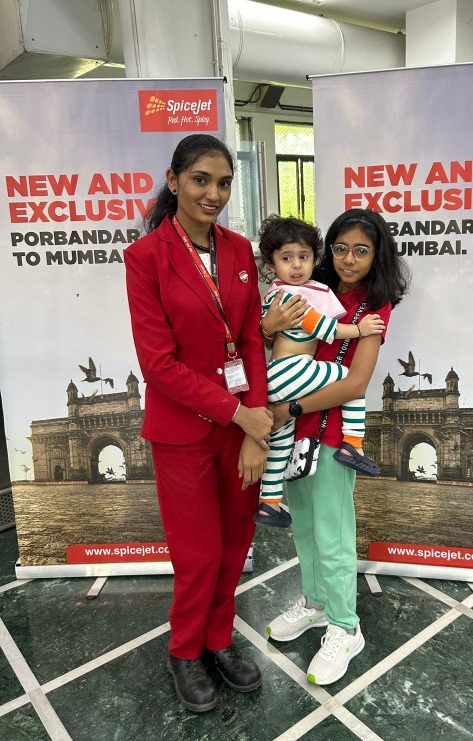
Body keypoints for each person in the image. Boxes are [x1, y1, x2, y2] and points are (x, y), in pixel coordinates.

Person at [123, 134, 305, 713]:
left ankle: (219, 640)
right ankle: (184, 649)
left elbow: (250, 338)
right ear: (174, 180)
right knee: (197, 553)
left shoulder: (238, 250)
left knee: (233, 545)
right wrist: (239, 414)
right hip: (182, 433)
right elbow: (158, 365)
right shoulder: (145, 257)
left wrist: (254, 429)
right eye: (201, 180)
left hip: (241, 429)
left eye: (224, 183)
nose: (214, 194)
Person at [261, 208, 410, 686]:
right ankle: (317, 603)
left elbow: (356, 383)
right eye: (341, 248)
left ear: (377, 256)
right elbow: (270, 341)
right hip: (294, 434)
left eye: (361, 251)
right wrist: (268, 327)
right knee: (305, 529)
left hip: (326, 431)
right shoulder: (309, 288)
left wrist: (289, 409)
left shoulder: (375, 309)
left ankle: (346, 627)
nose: (348, 259)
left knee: (334, 534)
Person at [254, 214, 385, 529]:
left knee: (280, 445)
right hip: (293, 370)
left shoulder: (281, 290)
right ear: (271, 263)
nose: (297, 265)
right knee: (347, 379)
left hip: (279, 377)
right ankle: (353, 442)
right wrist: (359, 329)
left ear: (315, 258)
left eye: (303, 257)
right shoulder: (293, 294)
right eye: (287, 258)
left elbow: (268, 336)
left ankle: (269, 504)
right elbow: (322, 328)